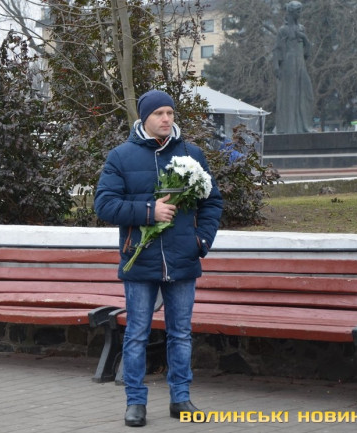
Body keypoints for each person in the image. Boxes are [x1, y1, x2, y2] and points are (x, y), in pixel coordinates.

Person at [94, 90, 223, 427]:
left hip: (183, 259)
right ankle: (135, 402)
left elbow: (212, 201)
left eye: (170, 112)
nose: (166, 119)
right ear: (144, 117)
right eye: (159, 113)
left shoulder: (191, 154)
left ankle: (181, 398)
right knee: (137, 334)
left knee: (181, 334)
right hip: (140, 261)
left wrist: (200, 241)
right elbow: (104, 205)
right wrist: (149, 211)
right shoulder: (121, 157)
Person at [273, 0, 314, 134]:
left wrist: (304, 38)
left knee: (306, 93)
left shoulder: (302, 28)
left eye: (300, 11)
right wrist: (276, 67)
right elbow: (277, 49)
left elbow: (307, 52)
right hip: (288, 65)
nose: (300, 14)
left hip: (300, 64)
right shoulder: (283, 30)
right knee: (289, 96)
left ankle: (304, 125)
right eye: (298, 11)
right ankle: (288, 127)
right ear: (291, 12)